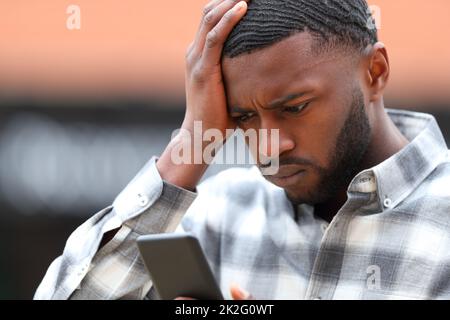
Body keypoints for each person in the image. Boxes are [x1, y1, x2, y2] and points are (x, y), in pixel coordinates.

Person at [35, 0, 450, 300]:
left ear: (375, 72)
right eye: (244, 117)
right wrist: (191, 143)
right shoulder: (218, 215)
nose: (269, 146)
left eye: (294, 107)